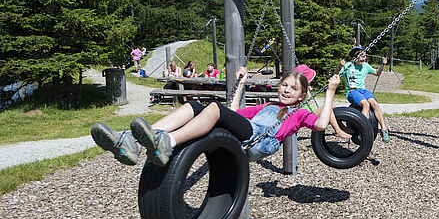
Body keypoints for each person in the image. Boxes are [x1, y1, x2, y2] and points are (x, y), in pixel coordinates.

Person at [91, 65, 341, 166]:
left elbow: (320, 125)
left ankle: (166, 143)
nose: (286, 90)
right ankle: (131, 142)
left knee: (213, 108)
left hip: (261, 141)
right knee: (193, 106)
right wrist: (241, 83)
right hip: (248, 132)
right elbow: (231, 113)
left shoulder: (298, 114)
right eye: (284, 85)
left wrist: (330, 92)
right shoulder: (267, 106)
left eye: (293, 88)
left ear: (300, 96)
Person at [339, 46, 390, 143]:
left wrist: (382, 65)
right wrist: (340, 67)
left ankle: (384, 129)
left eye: (365, 56)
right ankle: (362, 130)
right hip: (352, 91)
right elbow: (336, 75)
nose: (364, 58)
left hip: (363, 91)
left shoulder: (366, 66)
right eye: (361, 56)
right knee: (366, 104)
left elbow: (376, 73)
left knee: (374, 104)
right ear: (355, 58)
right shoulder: (348, 66)